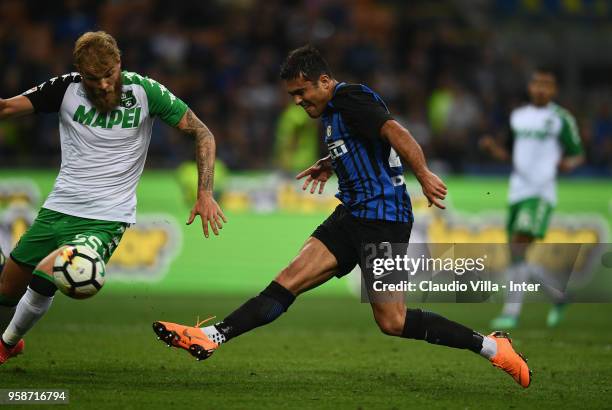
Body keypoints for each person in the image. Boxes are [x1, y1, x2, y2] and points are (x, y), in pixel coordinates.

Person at [154, 45, 531, 388]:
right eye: (292, 96)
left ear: (324, 80)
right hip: (351, 215)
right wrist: (331, 163)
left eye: (302, 92)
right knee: (287, 281)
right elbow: (366, 146)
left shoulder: (350, 97)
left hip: (384, 220)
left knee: (393, 322)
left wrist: (425, 173)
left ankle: (492, 347)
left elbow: (396, 133)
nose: (298, 101)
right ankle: (211, 336)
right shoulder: (333, 113)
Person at [0, 31, 226, 364]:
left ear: (119, 63)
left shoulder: (145, 91)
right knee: (7, 291)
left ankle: (6, 344)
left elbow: (202, 132)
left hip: (107, 216)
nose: (104, 85)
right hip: (58, 209)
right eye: (94, 78)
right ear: (79, 71)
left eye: (109, 75)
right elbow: (6, 107)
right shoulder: (65, 89)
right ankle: (13, 334)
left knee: (52, 271)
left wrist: (205, 192)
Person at [481, 67, 584, 329]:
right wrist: (493, 149)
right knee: (517, 256)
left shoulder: (561, 118)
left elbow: (578, 153)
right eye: (537, 83)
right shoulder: (518, 117)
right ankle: (559, 296)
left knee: (518, 247)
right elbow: (511, 156)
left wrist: (568, 164)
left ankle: (511, 314)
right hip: (517, 191)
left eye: (546, 84)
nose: (540, 88)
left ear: (554, 90)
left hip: (540, 192)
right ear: (530, 87)